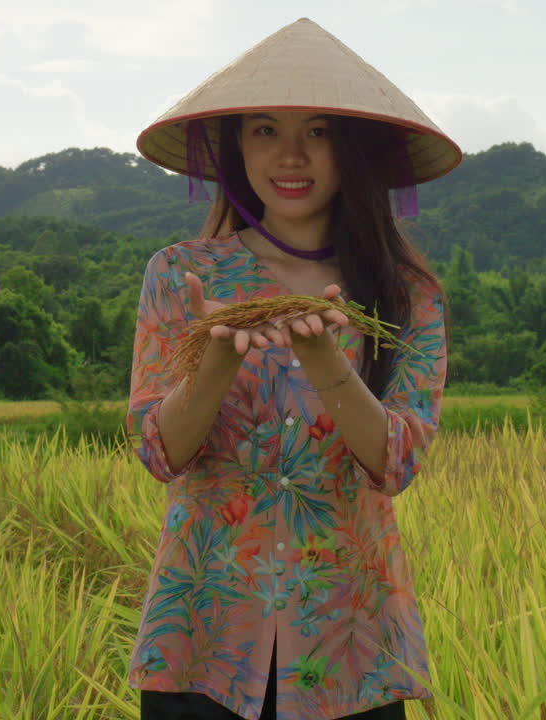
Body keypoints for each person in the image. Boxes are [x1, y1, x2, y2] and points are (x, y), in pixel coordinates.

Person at [128, 17, 461, 720]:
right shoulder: (182, 275)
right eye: (264, 130)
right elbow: (159, 452)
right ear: (237, 147)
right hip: (202, 637)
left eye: (318, 131)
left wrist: (324, 361)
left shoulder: (406, 295)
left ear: (354, 149)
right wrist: (217, 356)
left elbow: (397, 462)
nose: (290, 155)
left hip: (350, 644)